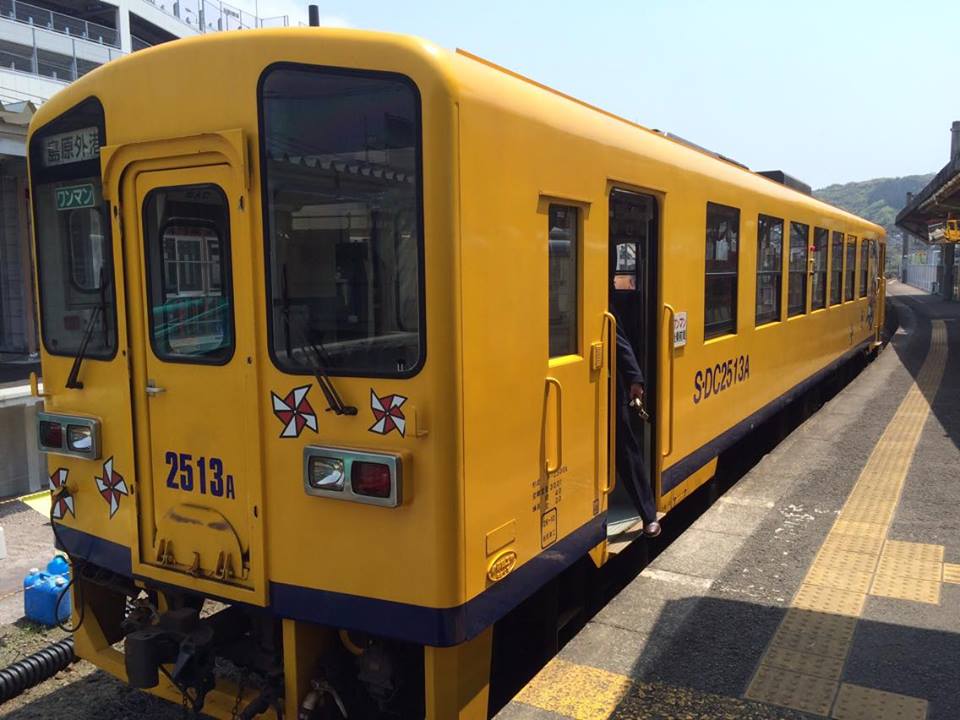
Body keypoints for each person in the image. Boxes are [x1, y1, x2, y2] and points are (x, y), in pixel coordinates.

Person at [615, 319, 660, 538]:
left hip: (608, 391)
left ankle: (648, 515)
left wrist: (634, 379)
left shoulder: (605, 309)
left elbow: (619, 342)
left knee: (625, 451)